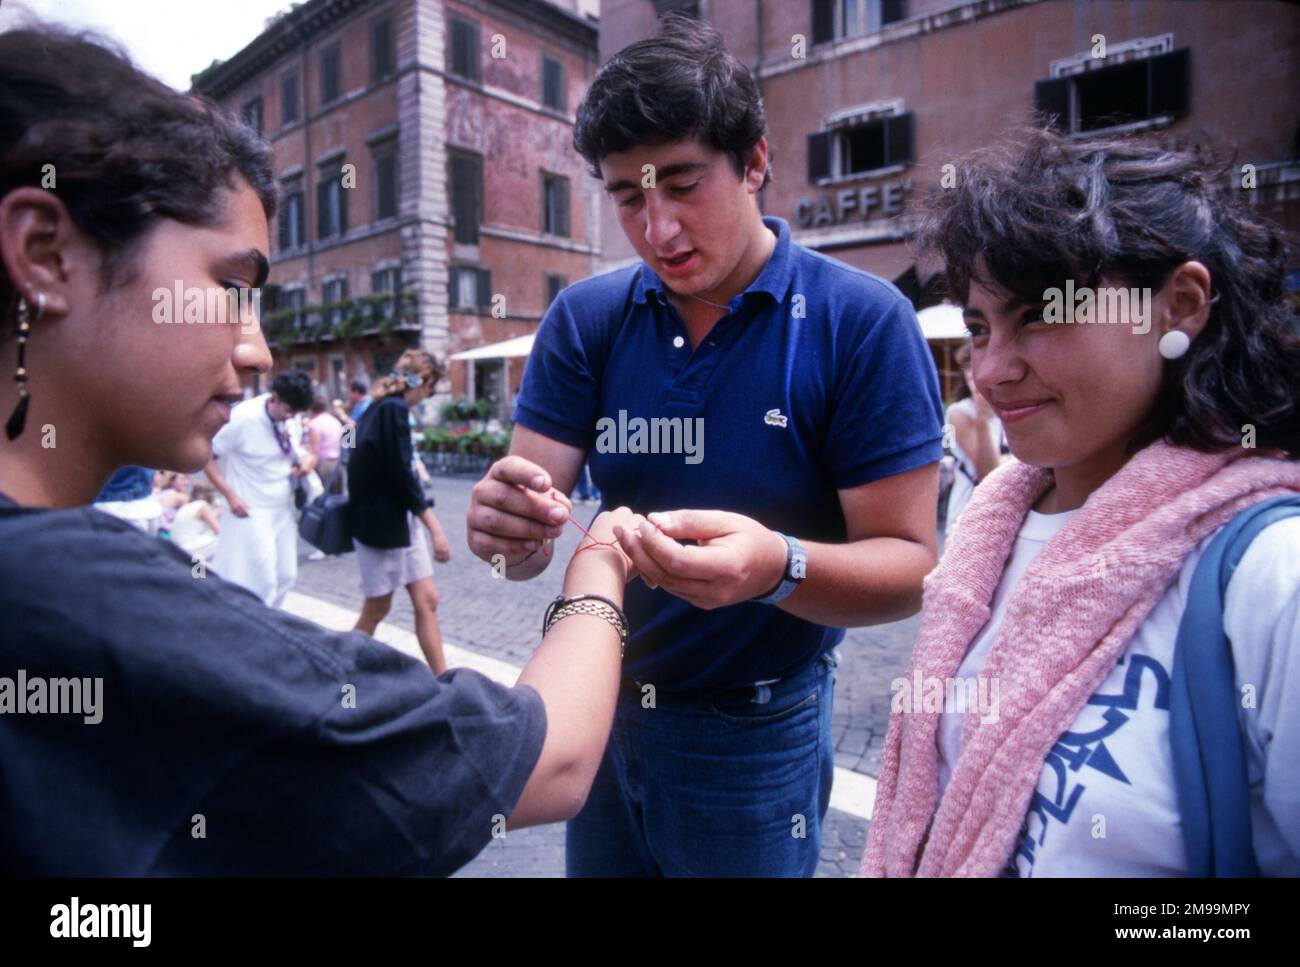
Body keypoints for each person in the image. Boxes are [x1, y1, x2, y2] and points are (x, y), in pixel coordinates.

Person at [0, 21, 646, 876]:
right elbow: (554, 760)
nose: (260, 349)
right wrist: (601, 561)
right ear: (46, 253)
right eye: (232, 289)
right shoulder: (80, 598)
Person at [466, 14, 944, 877]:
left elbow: (912, 567)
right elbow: (526, 548)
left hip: (757, 729)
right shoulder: (586, 318)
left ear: (755, 160)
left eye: (683, 184)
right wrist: (509, 531)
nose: (658, 230)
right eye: (626, 198)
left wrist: (779, 567)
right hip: (602, 708)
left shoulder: (863, 322)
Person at [861, 125, 1300, 877]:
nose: (991, 369)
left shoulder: (1270, 575)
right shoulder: (990, 523)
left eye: (1039, 313)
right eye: (979, 326)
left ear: (1180, 304)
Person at [347, 350, 453, 674]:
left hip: (395, 522)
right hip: (383, 526)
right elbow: (402, 477)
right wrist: (436, 529)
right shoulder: (391, 410)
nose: (428, 396)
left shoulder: (378, 408)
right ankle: (339, 669)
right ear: (420, 382)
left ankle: (444, 679)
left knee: (427, 599)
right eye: (430, 388)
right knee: (377, 606)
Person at [203, 370, 314, 607]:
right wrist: (230, 496)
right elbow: (207, 457)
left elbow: (297, 450)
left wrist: (306, 462)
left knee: (287, 576)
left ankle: (271, 623)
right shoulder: (243, 417)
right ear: (274, 397)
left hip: (282, 507)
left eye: (295, 413)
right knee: (262, 580)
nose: (291, 417)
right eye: (288, 411)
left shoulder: (289, 417)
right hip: (252, 508)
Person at [943, 341, 1005, 531]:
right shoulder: (959, 412)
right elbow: (989, 470)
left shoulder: (1012, 408)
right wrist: (982, 419)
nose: (973, 374)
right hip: (968, 515)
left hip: (1004, 514)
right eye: (968, 367)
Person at [171, 480, 221, 564]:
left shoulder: (187, 506)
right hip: (189, 549)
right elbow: (218, 531)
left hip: (177, 547)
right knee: (222, 539)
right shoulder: (203, 506)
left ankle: (199, 571)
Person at [306, 394, 345, 492]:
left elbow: (314, 452)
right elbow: (347, 441)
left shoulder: (314, 425)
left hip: (322, 466)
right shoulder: (335, 421)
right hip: (338, 464)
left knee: (323, 501)